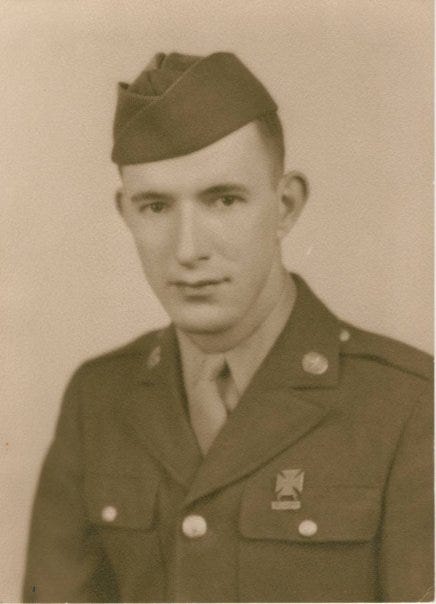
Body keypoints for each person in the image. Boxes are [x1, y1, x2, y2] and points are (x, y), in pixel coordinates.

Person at [23, 51, 433, 603]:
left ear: (285, 205)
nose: (188, 249)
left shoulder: (409, 405)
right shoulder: (97, 398)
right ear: (125, 213)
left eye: (223, 200)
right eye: (155, 207)